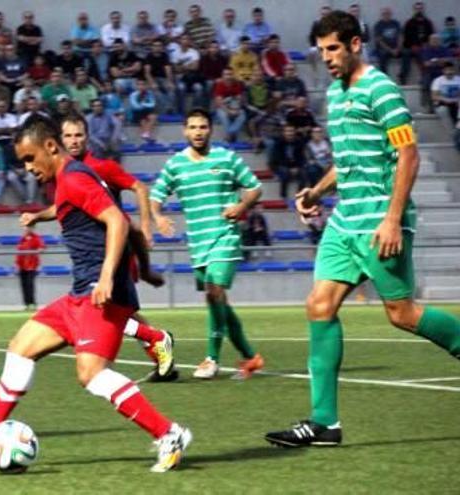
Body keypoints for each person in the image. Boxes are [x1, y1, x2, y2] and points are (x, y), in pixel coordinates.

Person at [0, 115, 191, 472]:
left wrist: (105, 279)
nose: (27, 168)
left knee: (91, 374)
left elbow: (117, 222)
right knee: (20, 348)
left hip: (101, 294)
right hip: (79, 294)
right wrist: (144, 270)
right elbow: (125, 225)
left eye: (29, 158)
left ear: (50, 147)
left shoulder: (72, 178)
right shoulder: (69, 180)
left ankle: (169, 433)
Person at [266, 10, 460, 448]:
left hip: (378, 219)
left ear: (355, 44)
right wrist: (316, 192)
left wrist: (392, 219)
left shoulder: (381, 89)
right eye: (321, 51)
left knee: (401, 314)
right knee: (319, 305)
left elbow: (408, 156)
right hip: (344, 220)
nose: (327, 58)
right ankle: (324, 423)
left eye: (333, 48)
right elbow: (349, 160)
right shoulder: (335, 94)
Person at [22, 114, 174, 379]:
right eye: (68, 135)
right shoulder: (64, 171)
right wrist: (38, 215)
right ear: (59, 139)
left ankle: (153, 342)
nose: (73, 140)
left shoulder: (98, 167)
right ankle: (159, 353)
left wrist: (147, 225)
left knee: (99, 313)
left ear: (87, 137)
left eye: (79, 135)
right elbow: (66, 205)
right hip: (98, 252)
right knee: (113, 312)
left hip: (109, 252)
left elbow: (135, 193)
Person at [151, 109, 265, 380]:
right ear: (184, 131)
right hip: (198, 243)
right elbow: (156, 195)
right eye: (192, 127)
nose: (198, 132)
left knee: (215, 292)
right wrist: (158, 217)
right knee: (217, 301)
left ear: (211, 129)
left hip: (225, 237)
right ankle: (250, 357)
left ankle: (211, 360)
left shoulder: (227, 158)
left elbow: (254, 187)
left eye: (203, 127)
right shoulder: (176, 164)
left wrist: (241, 206)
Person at [400, 2, 435, 86]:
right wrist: (411, 46)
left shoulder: (428, 22)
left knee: (424, 54)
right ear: (414, 10)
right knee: (405, 53)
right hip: (410, 47)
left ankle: (425, 79)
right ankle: (403, 76)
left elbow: (432, 36)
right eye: (417, 9)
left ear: (423, 9)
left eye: (420, 8)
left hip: (424, 47)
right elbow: (405, 36)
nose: (419, 10)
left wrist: (425, 45)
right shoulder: (409, 22)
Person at [269, 124, 307, 199]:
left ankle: (300, 195)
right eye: (287, 131)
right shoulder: (278, 143)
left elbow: (301, 157)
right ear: (283, 133)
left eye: (291, 131)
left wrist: (297, 167)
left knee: (304, 174)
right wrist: (290, 168)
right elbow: (278, 158)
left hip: (295, 165)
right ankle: (284, 195)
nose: (290, 133)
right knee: (285, 172)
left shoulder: (299, 142)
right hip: (280, 165)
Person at [173, 34, 205, 114]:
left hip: (192, 78)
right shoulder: (175, 53)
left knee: (199, 88)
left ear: (189, 41)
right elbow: (176, 69)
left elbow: (195, 67)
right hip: (180, 78)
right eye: (183, 39)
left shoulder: (194, 52)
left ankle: (196, 109)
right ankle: (182, 110)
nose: (185, 41)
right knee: (181, 88)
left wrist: (182, 66)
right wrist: (189, 66)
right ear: (179, 41)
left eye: (187, 39)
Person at [213, 68, 246, 143]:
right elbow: (219, 102)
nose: (228, 76)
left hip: (235, 107)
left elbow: (240, 99)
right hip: (222, 108)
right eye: (226, 74)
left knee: (242, 114)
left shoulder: (237, 84)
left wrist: (236, 109)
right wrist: (228, 111)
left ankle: (229, 134)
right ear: (222, 76)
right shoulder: (219, 84)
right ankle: (231, 135)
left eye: (230, 74)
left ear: (233, 75)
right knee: (224, 115)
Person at [16, 225, 44, 310]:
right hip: (22, 266)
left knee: (30, 285)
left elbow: (42, 247)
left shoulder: (36, 238)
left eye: (29, 227)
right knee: (23, 285)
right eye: (26, 227)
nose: (27, 229)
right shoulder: (22, 238)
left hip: (31, 266)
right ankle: (26, 304)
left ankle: (32, 303)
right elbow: (19, 251)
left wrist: (35, 252)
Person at [373, 8, 402, 78]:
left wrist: (398, 48)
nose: (386, 15)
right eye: (384, 14)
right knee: (382, 55)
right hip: (384, 49)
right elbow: (379, 41)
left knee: (407, 53)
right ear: (382, 15)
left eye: (388, 14)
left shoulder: (396, 23)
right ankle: (384, 77)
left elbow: (401, 36)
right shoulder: (378, 25)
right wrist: (391, 50)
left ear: (390, 14)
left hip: (396, 48)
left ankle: (402, 75)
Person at [432, 62, 460, 129]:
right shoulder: (438, 81)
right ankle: (453, 129)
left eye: (451, 70)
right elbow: (434, 96)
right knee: (442, 110)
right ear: (443, 71)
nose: (450, 72)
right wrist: (446, 100)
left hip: (456, 102)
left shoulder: (458, 79)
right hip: (443, 102)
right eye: (447, 70)